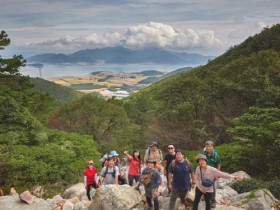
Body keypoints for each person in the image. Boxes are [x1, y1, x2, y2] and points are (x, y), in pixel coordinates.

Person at [203, 140, 221, 208]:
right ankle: (205, 197)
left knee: (213, 188)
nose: (208, 148)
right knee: (204, 185)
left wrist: (217, 174)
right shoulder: (204, 153)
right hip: (205, 172)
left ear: (212, 147)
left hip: (213, 174)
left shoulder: (216, 155)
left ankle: (213, 201)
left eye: (209, 147)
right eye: (207, 146)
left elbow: (218, 165)